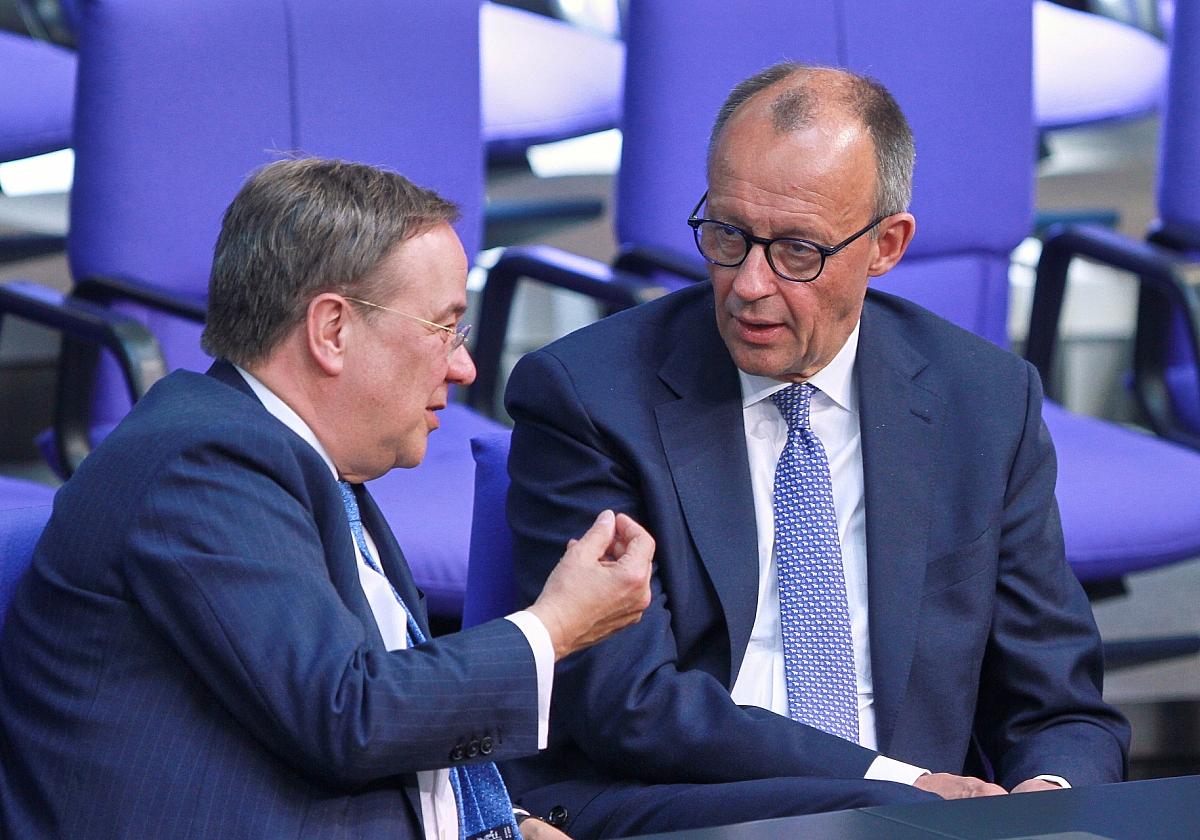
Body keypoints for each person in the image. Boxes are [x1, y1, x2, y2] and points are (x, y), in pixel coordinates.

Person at [501, 63, 1131, 837]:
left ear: (887, 245)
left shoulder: (985, 401)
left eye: (797, 251)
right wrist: (900, 785)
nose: (749, 284)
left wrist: (1048, 794)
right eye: (727, 235)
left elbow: (1060, 705)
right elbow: (626, 704)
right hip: (682, 804)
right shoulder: (589, 396)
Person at [0, 158, 654, 840]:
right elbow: (349, 716)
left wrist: (499, 822)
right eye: (444, 328)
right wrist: (555, 625)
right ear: (332, 330)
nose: (464, 367)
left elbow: (328, 711)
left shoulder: (308, 466)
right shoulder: (199, 464)